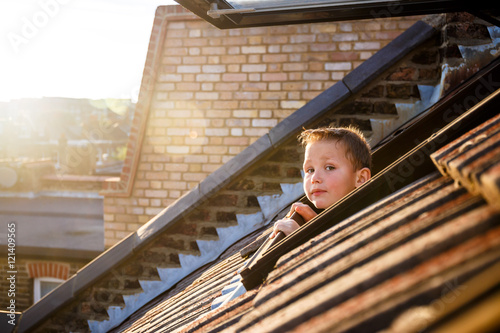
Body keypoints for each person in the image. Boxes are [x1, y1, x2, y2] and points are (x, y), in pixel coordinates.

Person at [269, 125, 372, 239]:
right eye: (310, 170)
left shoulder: (367, 219)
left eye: (329, 168)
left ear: (361, 178)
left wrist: (301, 238)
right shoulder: (336, 219)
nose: (314, 178)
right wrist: (316, 225)